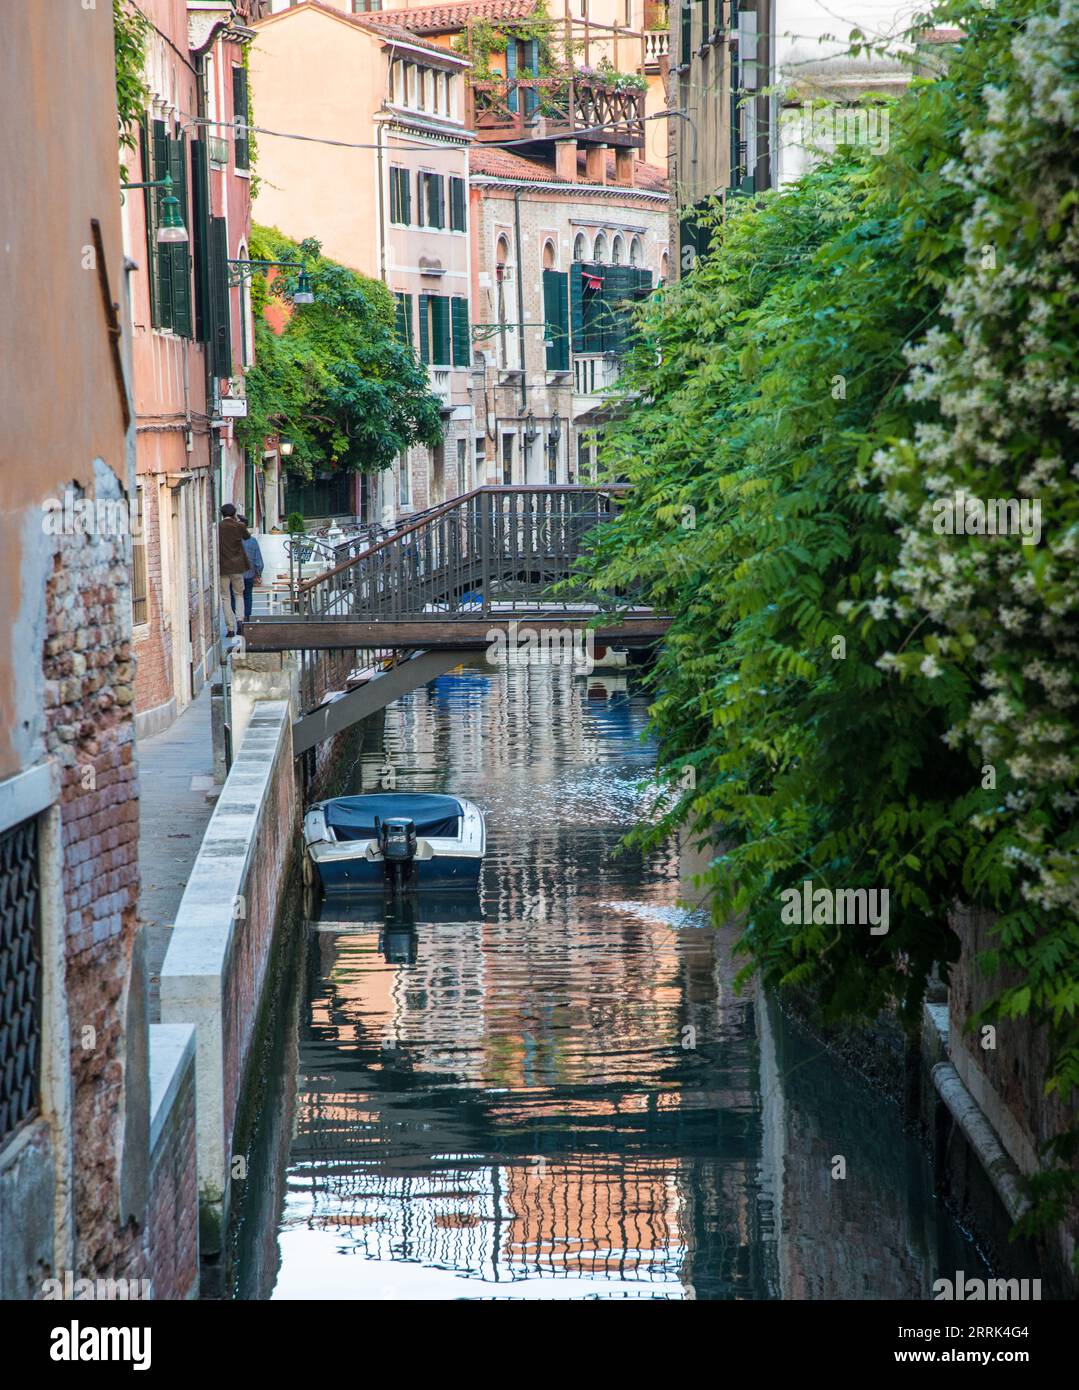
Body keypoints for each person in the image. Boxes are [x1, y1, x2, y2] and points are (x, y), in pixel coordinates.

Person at [217, 503, 250, 640]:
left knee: (225, 597)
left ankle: (230, 628)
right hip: (237, 567)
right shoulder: (239, 526)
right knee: (239, 594)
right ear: (234, 513)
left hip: (223, 566)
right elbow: (247, 537)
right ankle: (240, 620)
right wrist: (238, 522)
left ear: (222, 514)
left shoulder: (218, 527)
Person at [237, 515, 264, 622]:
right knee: (247, 596)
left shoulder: (232, 541)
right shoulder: (253, 541)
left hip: (234, 574)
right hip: (248, 574)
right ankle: (247, 618)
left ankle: (239, 617)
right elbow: (259, 562)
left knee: (234, 597)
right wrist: (258, 574)